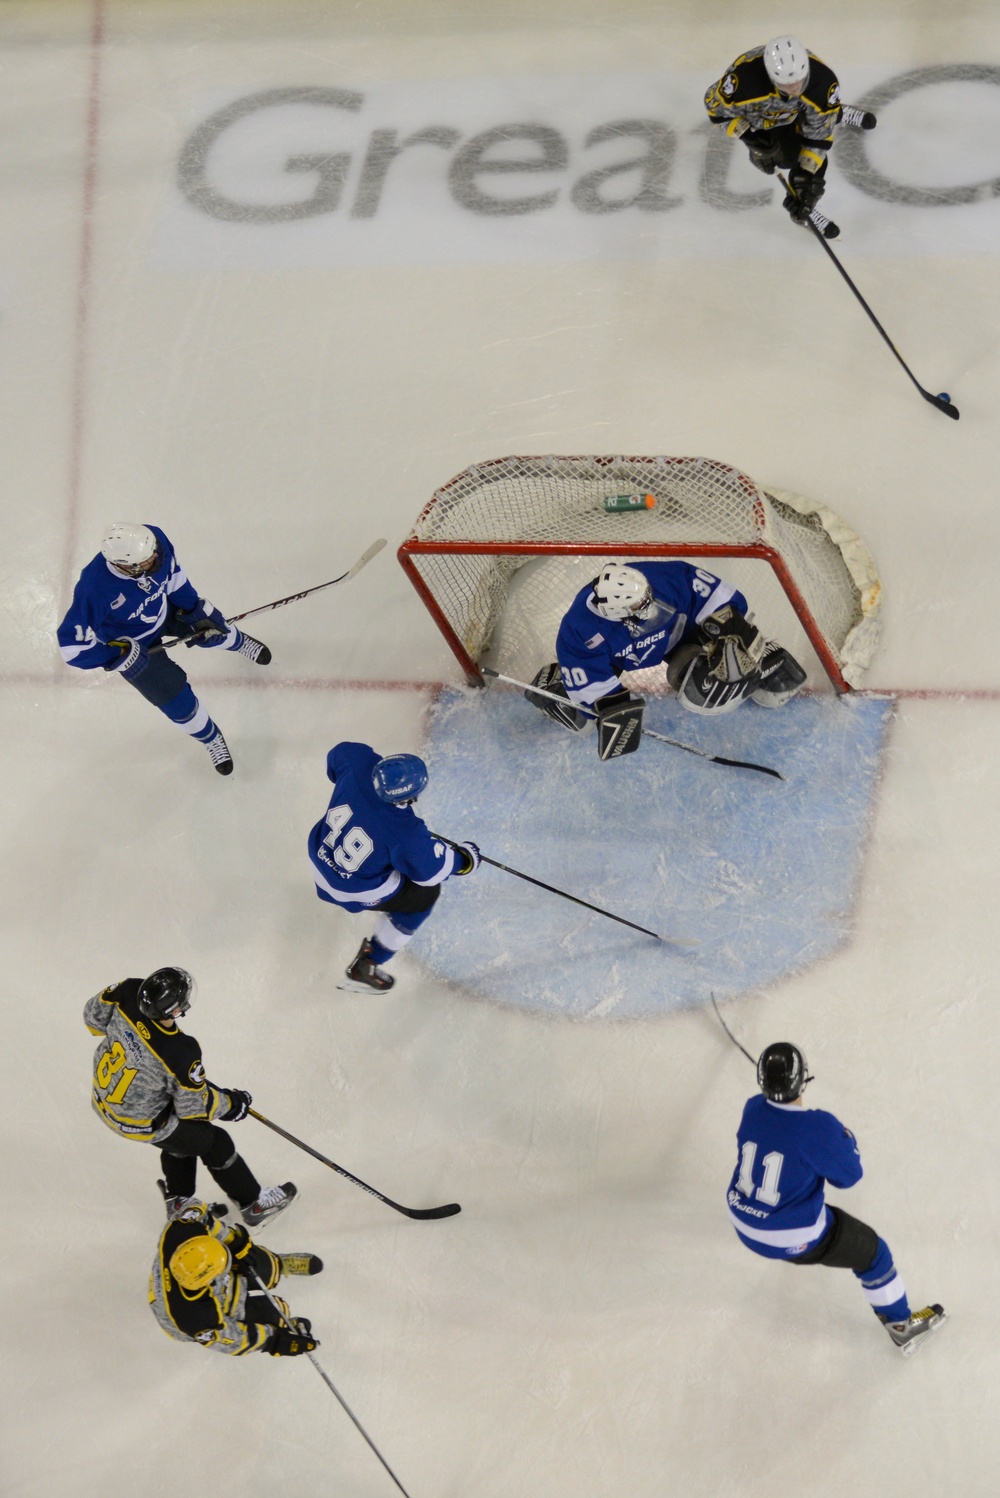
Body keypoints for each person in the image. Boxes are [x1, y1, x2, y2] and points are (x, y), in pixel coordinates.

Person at [726, 1042, 946, 1356]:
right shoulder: (817, 1127)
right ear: (803, 1080)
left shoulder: (751, 1107)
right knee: (874, 1254)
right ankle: (901, 1327)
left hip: (742, 1221)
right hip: (789, 1237)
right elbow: (850, 1176)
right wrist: (844, 1137)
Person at [84, 967, 297, 1228]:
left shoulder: (127, 990)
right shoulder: (180, 1051)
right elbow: (192, 1108)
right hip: (138, 1120)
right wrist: (232, 1104)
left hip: (103, 1099)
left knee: (183, 1139)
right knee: (215, 1142)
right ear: (174, 1011)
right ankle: (254, 1204)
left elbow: (92, 1019)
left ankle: (179, 1202)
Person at [525, 560, 806, 758]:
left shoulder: (663, 578)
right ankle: (554, 684)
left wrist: (731, 629)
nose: (650, 602)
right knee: (583, 724)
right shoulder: (579, 632)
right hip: (621, 659)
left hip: (679, 638)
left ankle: (760, 660)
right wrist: (617, 710)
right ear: (617, 613)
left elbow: (721, 598)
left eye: (646, 597)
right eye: (639, 606)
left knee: (701, 673)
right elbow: (598, 691)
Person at [58, 521, 271, 775]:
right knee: (176, 702)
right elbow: (71, 648)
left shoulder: (154, 540)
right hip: (135, 646)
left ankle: (239, 642)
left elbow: (176, 579)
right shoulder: (94, 588)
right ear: (126, 567)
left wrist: (194, 611)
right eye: (148, 561)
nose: (156, 558)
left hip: (164, 610)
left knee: (215, 627)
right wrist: (118, 656)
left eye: (154, 553)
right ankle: (211, 738)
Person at [308, 741, 480, 993]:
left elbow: (335, 758)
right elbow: (432, 872)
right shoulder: (406, 834)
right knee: (423, 897)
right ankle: (368, 963)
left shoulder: (356, 762)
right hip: (350, 889)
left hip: (319, 857)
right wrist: (466, 859)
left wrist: (360, 805)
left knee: (394, 860)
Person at [704, 36, 877, 227]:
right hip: (763, 118)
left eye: (799, 81)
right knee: (782, 158)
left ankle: (834, 111)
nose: (795, 88)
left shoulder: (822, 82)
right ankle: (829, 112)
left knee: (813, 154)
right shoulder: (743, 81)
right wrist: (749, 136)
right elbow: (716, 109)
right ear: (771, 76)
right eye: (786, 84)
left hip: (799, 110)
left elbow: (818, 137)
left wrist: (805, 181)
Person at [149, 1197, 321, 1356]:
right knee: (269, 1312)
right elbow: (232, 1339)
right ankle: (282, 1325)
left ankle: (277, 1265)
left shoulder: (180, 1231)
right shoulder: (197, 1319)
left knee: (249, 1257)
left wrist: (233, 1241)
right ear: (210, 1281)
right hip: (174, 1313)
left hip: (187, 1279)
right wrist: (274, 1340)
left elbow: (196, 1209)